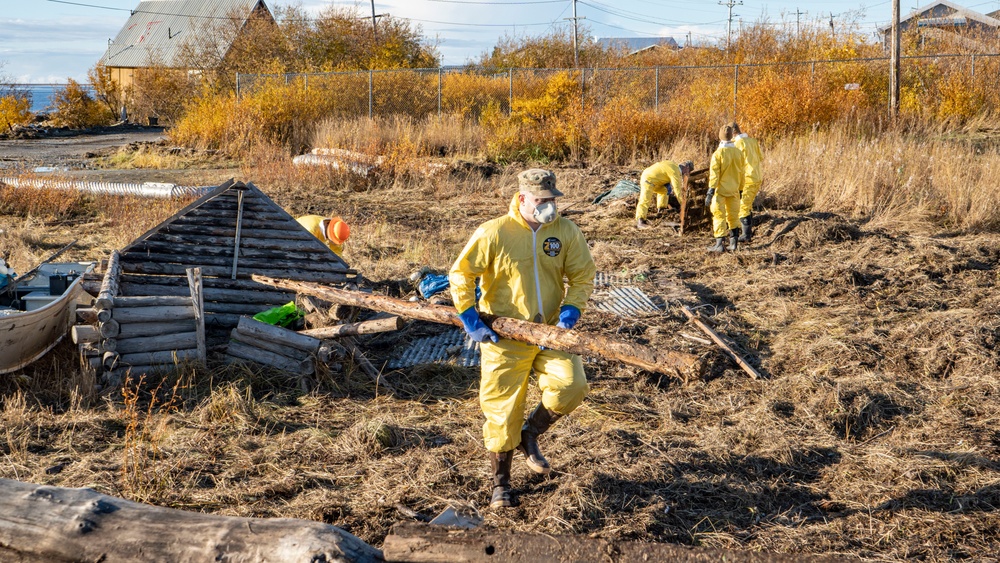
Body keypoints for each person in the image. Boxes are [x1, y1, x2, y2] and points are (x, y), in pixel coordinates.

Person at [449, 168, 597, 509]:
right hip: (505, 336)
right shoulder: (495, 232)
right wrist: (469, 314)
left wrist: (571, 310)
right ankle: (501, 485)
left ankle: (530, 433)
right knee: (501, 411)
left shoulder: (565, 231)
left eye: (552, 200)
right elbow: (461, 272)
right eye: (541, 201)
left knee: (572, 385)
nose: (549, 207)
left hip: (549, 332)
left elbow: (582, 274)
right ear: (522, 199)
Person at [705, 124, 745, 253]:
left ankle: (719, 244)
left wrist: (710, 191)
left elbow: (714, 175)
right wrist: (741, 189)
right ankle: (733, 243)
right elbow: (742, 172)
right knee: (733, 216)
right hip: (734, 189)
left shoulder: (718, 154)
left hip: (720, 191)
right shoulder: (738, 153)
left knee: (719, 215)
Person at [634, 159, 694, 230]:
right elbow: (677, 190)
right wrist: (683, 204)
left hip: (653, 178)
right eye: (688, 171)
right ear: (686, 168)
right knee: (645, 200)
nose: (687, 174)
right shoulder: (675, 172)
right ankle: (640, 221)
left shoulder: (673, 164)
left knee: (665, 189)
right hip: (648, 179)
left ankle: (661, 210)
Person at [730, 122, 763, 243]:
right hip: (757, 176)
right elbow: (761, 157)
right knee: (747, 204)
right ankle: (746, 232)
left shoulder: (738, 143)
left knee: (743, 205)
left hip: (748, 178)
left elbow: (736, 162)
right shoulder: (753, 141)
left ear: (733, 133)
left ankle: (746, 235)